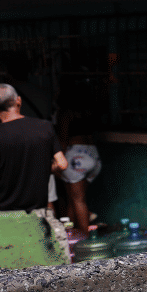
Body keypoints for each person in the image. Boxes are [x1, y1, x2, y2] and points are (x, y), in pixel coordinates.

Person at [0, 84, 67, 212]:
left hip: (3, 211)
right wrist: (40, 168)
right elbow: (62, 164)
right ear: (19, 100)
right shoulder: (45, 127)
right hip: (37, 210)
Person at [56, 78, 103, 228]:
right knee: (74, 199)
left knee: (78, 200)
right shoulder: (90, 112)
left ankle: (85, 238)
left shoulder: (66, 114)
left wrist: (57, 160)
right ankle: (73, 236)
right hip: (93, 156)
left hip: (75, 157)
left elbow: (63, 140)